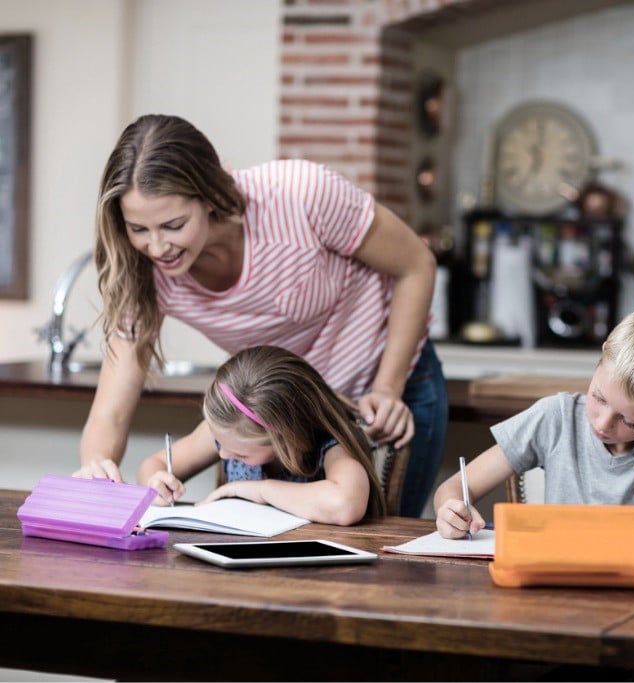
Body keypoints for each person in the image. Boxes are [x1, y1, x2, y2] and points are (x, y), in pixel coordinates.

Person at [74, 114, 447, 517]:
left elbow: (416, 265)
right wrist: (96, 468)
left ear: (210, 195)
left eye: (173, 224)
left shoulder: (301, 195)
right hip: (277, 419)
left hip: (385, 391)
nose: (157, 247)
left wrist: (387, 388)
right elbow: (111, 409)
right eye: (138, 229)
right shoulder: (143, 268)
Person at [434, 307, 634, 539]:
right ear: (601, 358)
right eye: (598, 397)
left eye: (629, 421)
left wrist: (629, 526)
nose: (602, 423)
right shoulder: (555, 417)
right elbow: (454, 487)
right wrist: (450, 509)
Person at [139, 345, 386, 524]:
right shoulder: (227, 432)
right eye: (220, 444)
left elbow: (345, 505)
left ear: (287, 439)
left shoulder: (330, 446)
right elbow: (154, 463)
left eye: (239, 453)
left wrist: (259, 490)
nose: (223, 453)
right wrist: (156, 482)